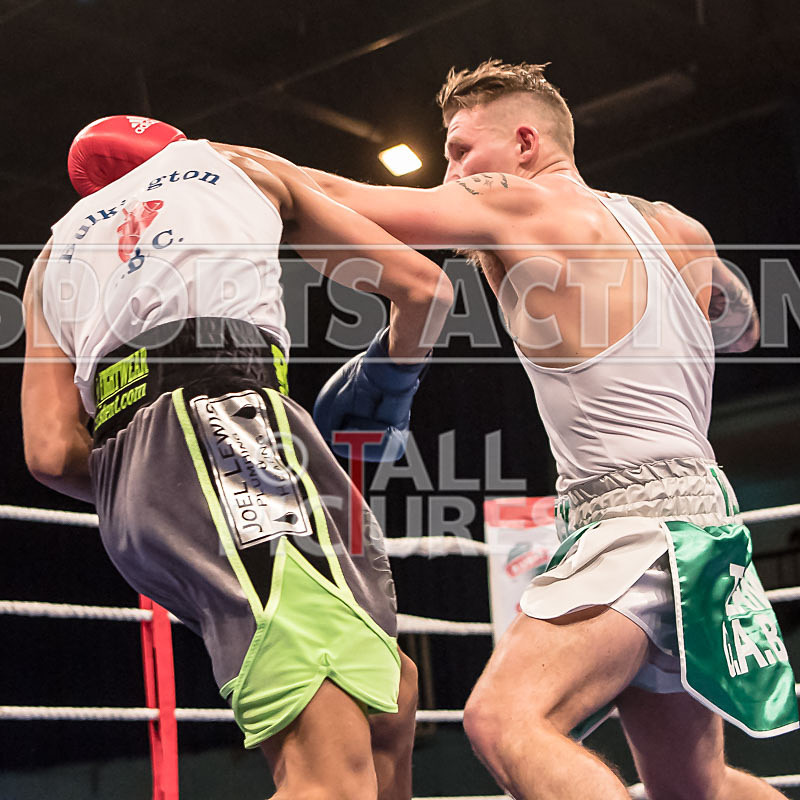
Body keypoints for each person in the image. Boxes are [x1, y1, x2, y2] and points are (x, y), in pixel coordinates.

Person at [303, 61, 798, 799]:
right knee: (698, 790)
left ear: (525, 143)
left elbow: (346, 199)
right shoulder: (676, 227)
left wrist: (215, 167)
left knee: (504, 720)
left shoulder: (518, 204)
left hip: (635, 526)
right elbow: (745, 327)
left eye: (461, 149)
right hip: (703, 523)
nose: (451, 171)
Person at [21, 115, 454, 800]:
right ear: (173, 145)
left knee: (389, 695)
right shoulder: (235, 163)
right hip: (229, 434)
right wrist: (389, 385)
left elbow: (48, 452)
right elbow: (426, 289)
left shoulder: (52, 255)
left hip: (132, 492)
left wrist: (151, 474)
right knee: (330, 774)